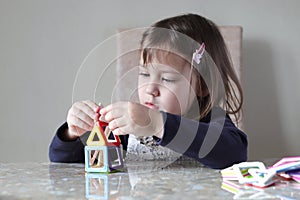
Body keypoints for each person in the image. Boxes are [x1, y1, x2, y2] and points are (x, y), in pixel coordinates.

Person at [49, 13, 247, 169]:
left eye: (167, 79)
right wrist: (73, 132)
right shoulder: (128, 126)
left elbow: (234, 154)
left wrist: (158, 123)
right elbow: (62, 159)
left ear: (202, 86)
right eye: (144, 74)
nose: (150, 89)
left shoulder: (212, 122)